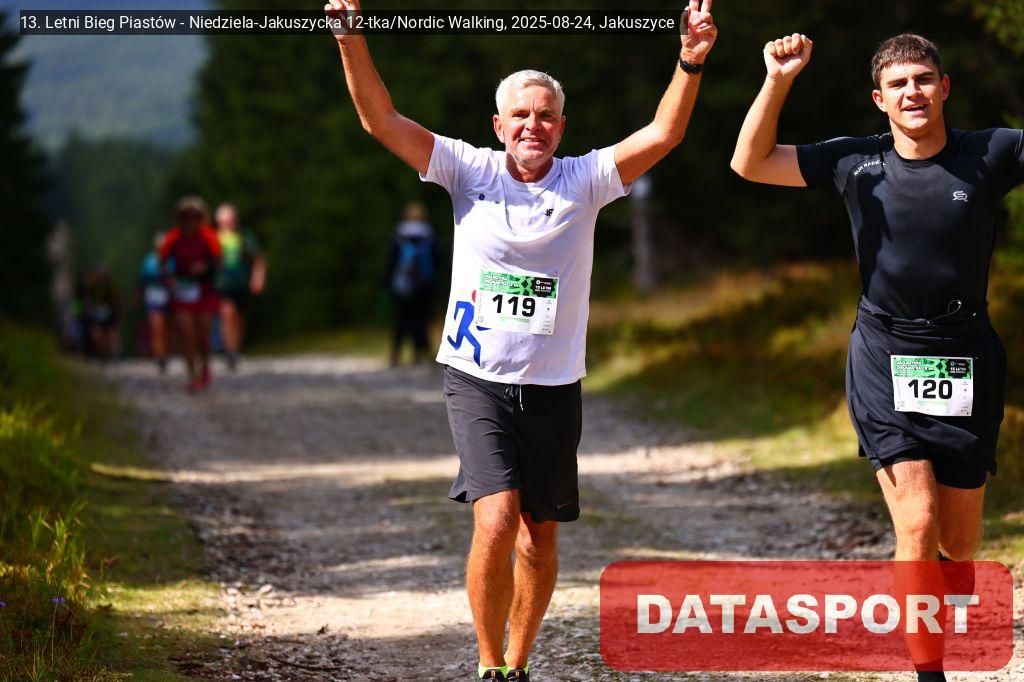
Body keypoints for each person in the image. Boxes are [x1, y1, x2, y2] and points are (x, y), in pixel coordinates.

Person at [326, 1, 718, 679]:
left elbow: (664, 133)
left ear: (561, 127)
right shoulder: (466, 169)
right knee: (497, 519)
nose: (533, 125)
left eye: (545, 115)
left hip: (554, 385)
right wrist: (349, 37)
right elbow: (380, 121)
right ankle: (488, 665)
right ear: (498, 126)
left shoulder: (585, 180)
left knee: (539, 539)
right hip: (477, 379)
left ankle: (518, 661)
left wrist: (690, 60)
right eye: (521, 115)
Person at [730, 32, 1024, 681]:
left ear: (944, 88)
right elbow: (749, 162)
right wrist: (777, 79)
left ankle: (940, 574)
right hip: (885, 355)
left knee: (960, 542)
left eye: (923, 80)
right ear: (879, 99)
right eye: (898, 84)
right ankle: (929, 673)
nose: (912, 92)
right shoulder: (855, 161)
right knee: (916, 520)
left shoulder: (991, 152)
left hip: (966, 358)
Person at [160, 196, 222, 393]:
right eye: (185, 217)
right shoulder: (172, 238)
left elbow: (219, 262)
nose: (190, 221)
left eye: (195, 217)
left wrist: (205, 267)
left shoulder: (209, 237)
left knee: (203, 334)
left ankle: (205, 367)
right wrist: (170, 280)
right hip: (182, 290)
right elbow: (162, 263)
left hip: (204, 290)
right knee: (186, 333)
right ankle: (192, 374)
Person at [386, 201, 441, 366]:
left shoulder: (398, 235)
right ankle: (417, 354)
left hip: (402, 285)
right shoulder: (430, 235)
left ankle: (395, 354)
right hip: (424, 285)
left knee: (400, 320)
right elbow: (439, 260)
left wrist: (388, 283)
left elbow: (390, 262)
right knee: (420, 320)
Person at [214, 202, 266, 370]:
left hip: (241, 283)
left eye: (229, 220)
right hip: (221, 284)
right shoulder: (213, 238)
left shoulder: (244, 236)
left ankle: (235, 348)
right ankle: (230, 351)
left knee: (239, 318)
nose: (226, 224)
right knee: (227, 314)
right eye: (222, 221)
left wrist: (257, 278)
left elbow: (258, 259)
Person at [138, 231, 172, 373]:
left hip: (168, 296)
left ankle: (166, 352)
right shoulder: (149, 260)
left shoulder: (171, 260)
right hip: (153, 296)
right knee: (156, 326)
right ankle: (159, 355)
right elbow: (141, 280)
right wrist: (139, 297)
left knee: (167, 327)